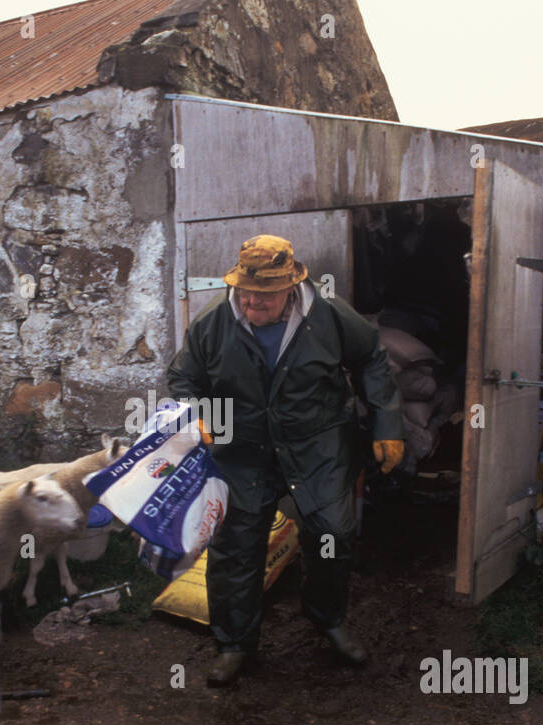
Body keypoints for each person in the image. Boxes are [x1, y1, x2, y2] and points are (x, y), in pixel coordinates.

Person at [167, 234, 405, 686]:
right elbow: (183, 377)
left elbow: (371, 356)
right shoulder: (213, 322)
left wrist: (388, 426)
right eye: (247, 290)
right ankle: (234, 643)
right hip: (242, 451)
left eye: (267, 292)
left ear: (292, 286)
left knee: (333, 534)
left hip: (317, 446)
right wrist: (195, 418)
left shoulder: (328, 313)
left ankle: (327, 619)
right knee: (236, 546)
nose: (254, 300)